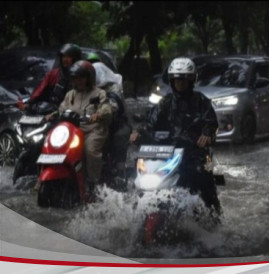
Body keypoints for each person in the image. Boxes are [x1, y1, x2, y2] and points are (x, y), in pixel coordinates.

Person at [129, 57, 221, 214]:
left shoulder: (201, 101)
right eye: (177, 80)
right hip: (167, 151)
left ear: (191, 80)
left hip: (194, 153)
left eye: (184, 80)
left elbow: (211, 123)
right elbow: (150, 122)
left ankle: (213, 216)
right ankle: (132, 208)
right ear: (172, 81)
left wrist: (206, 134)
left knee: (202, 176)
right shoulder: (166, 102)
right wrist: (138, 132)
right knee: (135, 169)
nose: (180, 83)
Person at [46, 60, 113, 196]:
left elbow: (107, 108)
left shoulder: (99, 93)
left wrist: (98, 114)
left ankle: (94, 185)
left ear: (89, 78)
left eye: (81, 78)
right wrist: (52, 115)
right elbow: (62, 109)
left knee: (90, 150)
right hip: (73, 131)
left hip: (93, 130)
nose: (78, 81)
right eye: (75, 78)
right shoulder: (70, 94)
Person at [87, 52, 131, 180]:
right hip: (93, 124)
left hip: (117, 123)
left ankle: (120, 171)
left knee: (120, 137)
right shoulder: (87, 88)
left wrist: (100, 113)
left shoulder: (114, 88)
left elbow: (114, 105)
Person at [21, 43, 82, 109]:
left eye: (68, 57)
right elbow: (40, 89)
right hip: (56, 109)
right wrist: (29, 103)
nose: (65, 59)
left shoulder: (83, 75)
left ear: (75, 58)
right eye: (63, 56)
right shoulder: (54, 74)